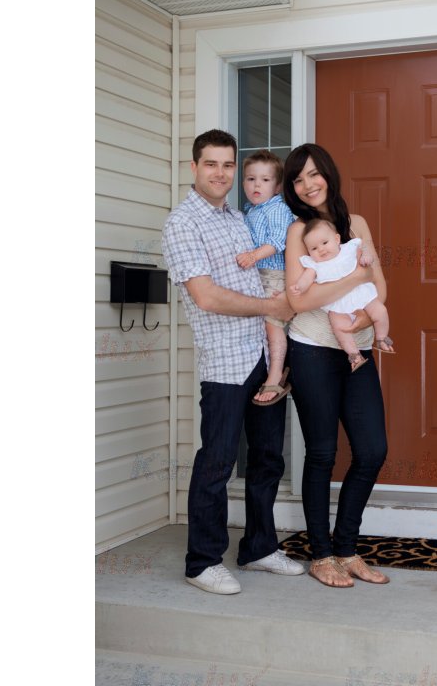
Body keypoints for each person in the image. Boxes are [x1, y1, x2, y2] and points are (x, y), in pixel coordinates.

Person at [161, 129, 304, 595]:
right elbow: (206, 296)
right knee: (218, 461)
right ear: (194, 167)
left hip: (263, 357)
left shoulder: (241, 219)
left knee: (267, 458)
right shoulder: (183, 223)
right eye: (211, 164)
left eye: (227, 165)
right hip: (225, 362)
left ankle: (259, 548)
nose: (220, 173)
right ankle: (202, 562)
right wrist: (271, 307)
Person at [281, 143, 392, 588]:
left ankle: (346, 548)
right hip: (311, 349)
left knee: (372, 450)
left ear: (327, 173)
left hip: (358, 349)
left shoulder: (356, 224)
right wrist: (355, 279)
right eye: (297, 179)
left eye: (313, 174)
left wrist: (362, 317)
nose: (307, 185)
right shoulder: (298, 231)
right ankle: (321, 554)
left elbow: (379, 284)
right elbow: (299, 300)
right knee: (323, 453)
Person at [289, 217, 394, 372]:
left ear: (337, 239)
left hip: (361, 296)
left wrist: (366, 258)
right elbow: (306, 279)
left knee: (380, 311)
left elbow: (365, 252)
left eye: (325, 243)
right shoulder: (314, 265)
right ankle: (354, 355)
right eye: (314, 248)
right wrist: (299, 286)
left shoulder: (349, 249)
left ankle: (381, 338)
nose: (321, 249)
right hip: (337, 305)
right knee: (340, 329)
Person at [236, 150, 297, 405]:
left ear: (277, 186)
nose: (256, 185)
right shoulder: (250, 210)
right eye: (250, 179)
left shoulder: (276, 208)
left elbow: (279, 240)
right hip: (257, 275)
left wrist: (253, 255)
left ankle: (276, 375)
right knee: (262, 325)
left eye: (264, 180)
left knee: (273, 325)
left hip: (273, 274)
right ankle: (267, 368)